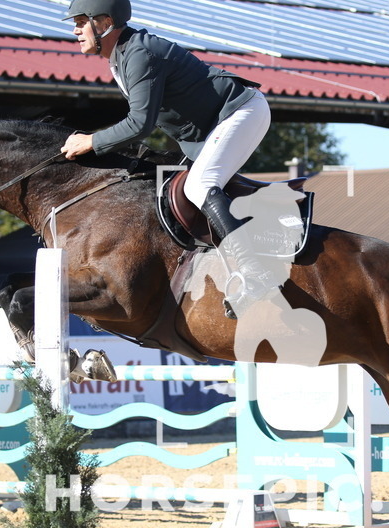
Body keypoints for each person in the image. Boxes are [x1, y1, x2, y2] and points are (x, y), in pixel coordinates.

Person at [59, 0, 273, 318]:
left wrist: (91, 141)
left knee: (200, 186)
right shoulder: (122, 55)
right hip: (211, 130)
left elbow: (139, 125)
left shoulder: (138, 54)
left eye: (80, 22)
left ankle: (257, 276)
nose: (75, 30)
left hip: (240, 112)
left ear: (103, 22)